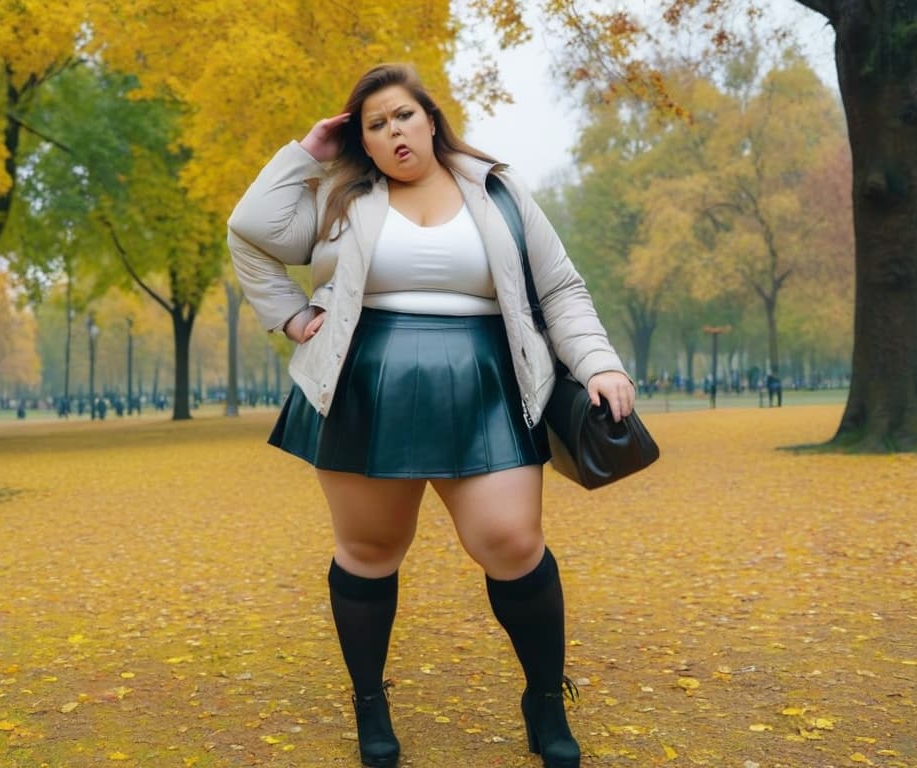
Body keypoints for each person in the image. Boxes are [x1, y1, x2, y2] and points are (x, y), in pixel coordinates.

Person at [227, 64, 634, 768]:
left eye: (402, 116)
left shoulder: (498, 189)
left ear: (431, 117)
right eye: (375, 125)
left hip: (486, 380)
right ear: (364, 142)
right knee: (370, 551)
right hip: (363, 382)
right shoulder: (341, 198)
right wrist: (307, 159)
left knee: (510, 540)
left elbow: (560, 286)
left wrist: (599, 362)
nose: (393, 132)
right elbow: (249, 231)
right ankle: (369, 704)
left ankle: (543, 698)